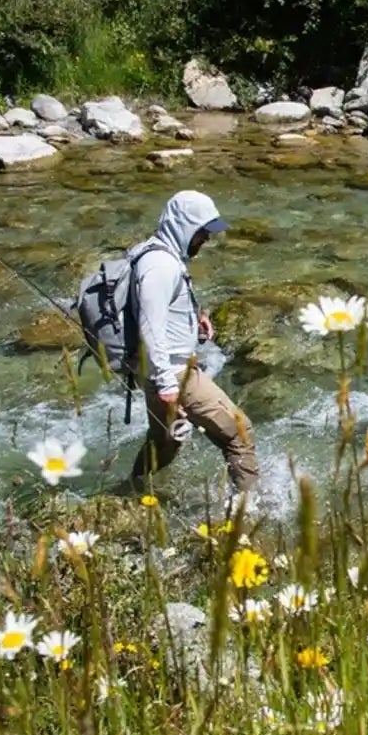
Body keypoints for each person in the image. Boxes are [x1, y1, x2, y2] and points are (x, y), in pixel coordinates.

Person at [128, 190, 260, 502]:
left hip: (159, 369)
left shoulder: (155, 252)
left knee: (164, 442)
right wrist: (166, 384)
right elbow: (150, 324)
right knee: (239, 432)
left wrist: (194, 316)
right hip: (172, 372)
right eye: (202, 233)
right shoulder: (161, 265)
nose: (206, 240)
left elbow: (157, 307)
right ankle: (250, 511)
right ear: (184, 226)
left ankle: (129, 493)